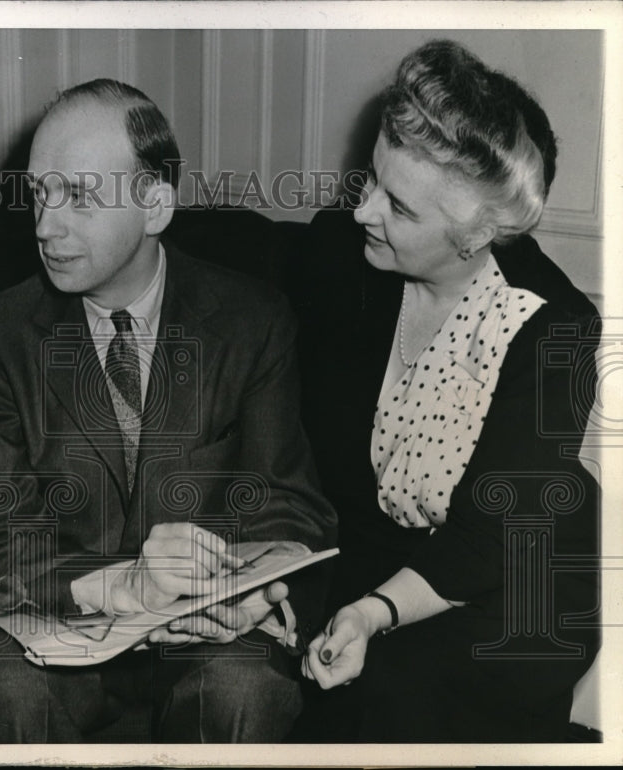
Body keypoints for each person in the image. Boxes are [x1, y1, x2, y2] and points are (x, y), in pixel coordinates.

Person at [0, 79, 338, 742]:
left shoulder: (253, 319)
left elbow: (286, 503)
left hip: (208, 629)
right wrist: (121, 584)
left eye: (78, 196)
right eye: (40, 193)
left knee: (247, 689)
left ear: (155, 203)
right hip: (63, 618)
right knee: (10, 690)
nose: (45, 226)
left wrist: (251, 594)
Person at [284, 40, 601, 742]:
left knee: (398, 700)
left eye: (397, 206)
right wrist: (283, 574)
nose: (363, 211)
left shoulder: (556, 330)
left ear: (476, 234)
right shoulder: (342, 261)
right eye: (371, 180)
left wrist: (371, 612)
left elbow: (488, 543)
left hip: (514, 592)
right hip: (375, 563)